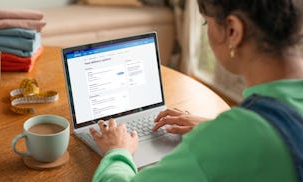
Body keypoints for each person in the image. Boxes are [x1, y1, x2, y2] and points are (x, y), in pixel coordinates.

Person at [89, 0, 303, 181]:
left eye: (205, 22)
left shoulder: (234, 138)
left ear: (233, 30)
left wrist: (117, 151)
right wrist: (214, 128)